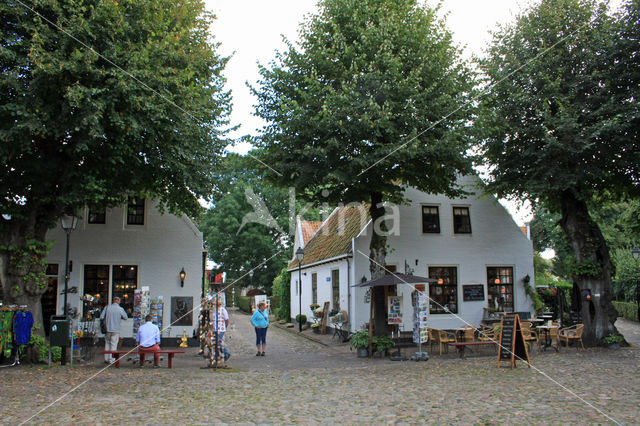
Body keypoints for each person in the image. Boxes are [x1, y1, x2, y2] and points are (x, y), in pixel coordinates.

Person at [100, 297, 128, 364]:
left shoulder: (107, 308)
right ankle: (111, 359)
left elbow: (101, 317)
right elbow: (125, 317)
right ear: (118, 301)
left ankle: (106, 358)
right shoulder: (120, 309)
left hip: (107, 328)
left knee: (107, 343)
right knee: (114, 344)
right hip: (116, 329)